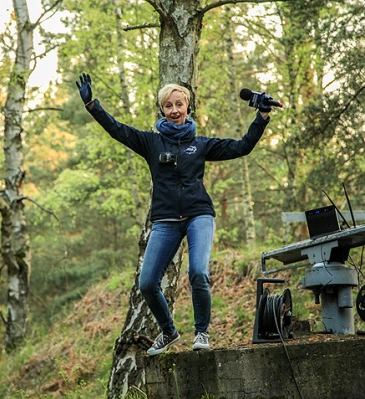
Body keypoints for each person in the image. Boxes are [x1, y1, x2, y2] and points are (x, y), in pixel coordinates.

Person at [75, 73, 271, 356]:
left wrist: (261, 117)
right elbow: (117, 129)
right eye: (169, 106)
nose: (175, 110)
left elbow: (242, 146)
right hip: (166, 220)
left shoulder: (201, 144)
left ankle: (201, 332)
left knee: (198, 272)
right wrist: (93, 105)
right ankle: (168, 331)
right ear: (163, 110)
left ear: (187, 107)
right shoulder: (150, 143)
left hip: (198, 215)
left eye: (179, 104)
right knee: (147, 283)